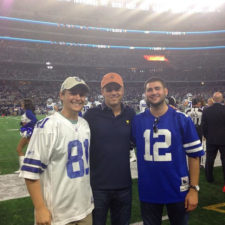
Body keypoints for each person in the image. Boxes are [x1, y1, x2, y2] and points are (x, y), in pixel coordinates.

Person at [19, 76, 94, 225]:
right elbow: (30, 173)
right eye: (73, 93)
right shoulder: (47, 126)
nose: (78, 98)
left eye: (82, 94)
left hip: (84, 209)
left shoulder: (85, 124)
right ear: (61, 95)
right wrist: (40, 208)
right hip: (58, 215)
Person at [132, 77, 204, 225]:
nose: (153, 92)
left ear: (165, 91)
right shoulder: (137, 121)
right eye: (149, 90)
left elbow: (194, 156)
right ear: (145, 94)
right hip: (148, 190)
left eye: (157, 88)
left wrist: (194, 189)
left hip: (178, 189)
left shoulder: (182, 119)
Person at [84, 72, 136, 225]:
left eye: (117, 88)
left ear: (123, 90)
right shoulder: (91, 115)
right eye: (109, 89)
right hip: (98, 187)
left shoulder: (130, 113)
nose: (114, 92)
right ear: (102, 91)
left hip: (124, 186)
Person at [202, 91, 225, 192]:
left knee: (209, 160)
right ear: (222, 99)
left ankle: (209, 178)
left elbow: (204, 126)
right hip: (224, 139)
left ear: (213, 99)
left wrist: (207, 136)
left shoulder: (206, 110)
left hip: (211, 139)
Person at [15, 99, 37, 173]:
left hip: (29, 133)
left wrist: (26, 126)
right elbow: (28, 120)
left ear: (26, 104)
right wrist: (22, 123)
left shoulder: (28, 112)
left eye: (22, 103)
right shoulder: (27, 112)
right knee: (22, 149)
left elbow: (35, 120)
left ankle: (23, 168)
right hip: (29, 133)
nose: (21, 104)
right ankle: (23, 168)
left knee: (24, 149)